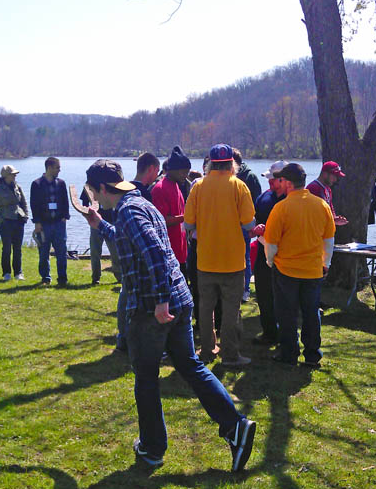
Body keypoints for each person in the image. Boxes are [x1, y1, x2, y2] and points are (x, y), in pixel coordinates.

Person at [83, 159, 256, 471]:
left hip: (153, 308)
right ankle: (235, 426)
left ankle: (152, 448)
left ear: (101, 189)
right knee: (190, 365)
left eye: (93, 193)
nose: (95, 198)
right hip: (179, 299)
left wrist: (160, 300)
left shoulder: (128, 210)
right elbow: (131, 240)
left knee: (146, 378)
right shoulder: (139, 204)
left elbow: (154, 253)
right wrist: (100, 224)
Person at [184, 144, 255, 367]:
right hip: (233, 261)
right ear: (232, 164)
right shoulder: (239, 186)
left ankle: (207, 350)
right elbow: (249, 223)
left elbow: (188, 223)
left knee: (205, 309)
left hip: (205, 259)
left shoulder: (198, 187)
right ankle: (230, 355)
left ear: (210, 164)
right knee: (231, 310)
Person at [264, 163, 335, 367]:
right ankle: (312, 354)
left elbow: (271, 243)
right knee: (311, 312)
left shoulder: (281, 207)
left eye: (281, 180)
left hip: (286, 269)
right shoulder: (321, 205)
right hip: (313, 269)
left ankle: (289, 352)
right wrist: (326, 262)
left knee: (287, 313)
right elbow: (328, 239)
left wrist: (270, 261)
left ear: (287, 182)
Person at [115, 152, 161, 351]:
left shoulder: (122, 190)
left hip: (125, 249)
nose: (157, 176)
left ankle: (123, 337)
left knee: (126, 291)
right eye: (157, 171)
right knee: (129, 292)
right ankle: (128, 337)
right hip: (138, 252)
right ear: (150, 168)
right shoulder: (142, 193)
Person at [251, 160, 287, 345]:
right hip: (263, 251)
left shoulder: (292, 200)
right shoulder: (264, 197)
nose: (270, 183)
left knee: (284, 296)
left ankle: (286, 335)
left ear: (285, 180)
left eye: (274, 180)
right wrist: (255, 228)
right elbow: (253, 219)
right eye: (270, 179)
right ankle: (269, 332)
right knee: (264, 293)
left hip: (285, 254)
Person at [30, 157, 70, 286]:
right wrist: (37, 222)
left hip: (59, 223)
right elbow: (33, 205)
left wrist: (65, 217)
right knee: (43, 253)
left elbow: (65, 201)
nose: (59, 170)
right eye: (57, 167)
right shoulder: (36, 184)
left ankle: (62, 279)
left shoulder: (61, 183)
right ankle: (45, 279)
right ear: (49, 168)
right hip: (44, 224)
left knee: (61, 253)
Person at [151, 146, 190, 276]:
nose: (186, 175)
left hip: (181, 250)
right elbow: (161, 221)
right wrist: (188, 216)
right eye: (183, 172)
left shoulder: (176, 185)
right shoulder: (160, 188)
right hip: (169, 253)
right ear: (173, 170)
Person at [0, 164, 28, 281]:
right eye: (13, 174)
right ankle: (6, 273)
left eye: (15, 174)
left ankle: (18, 273)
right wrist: (0, 220)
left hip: (19, 221)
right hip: (5, 222)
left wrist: (26, 216)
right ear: (6, 176)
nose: (15, 176)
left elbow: (24, 203)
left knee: (18, 248)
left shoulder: (17, 187)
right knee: (6, 248)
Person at [232, 149, 262, 302]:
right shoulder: (228, 177)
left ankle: (245, 289)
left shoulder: (250, 177)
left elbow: (257, 201)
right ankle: (234, 288)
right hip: (230, 224)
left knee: (245, 256)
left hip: (244, 224)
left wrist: (252, 223)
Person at [80, 187, 121, 285]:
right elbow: (84, 203)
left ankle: (119, 276)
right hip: (95, 223)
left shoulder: (110, 184)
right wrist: (88, 213)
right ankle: (96, 278)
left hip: (110, 222)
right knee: (95, 251)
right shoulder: (89, 186)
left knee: (115, 251)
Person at [306, 161, 348, 225]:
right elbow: (315, 214)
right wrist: (333, 220)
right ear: (325, 174)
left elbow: (330, 210)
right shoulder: (313, 188)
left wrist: (336, 218)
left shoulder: (328, 189)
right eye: (334, 176)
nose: (335, 179)